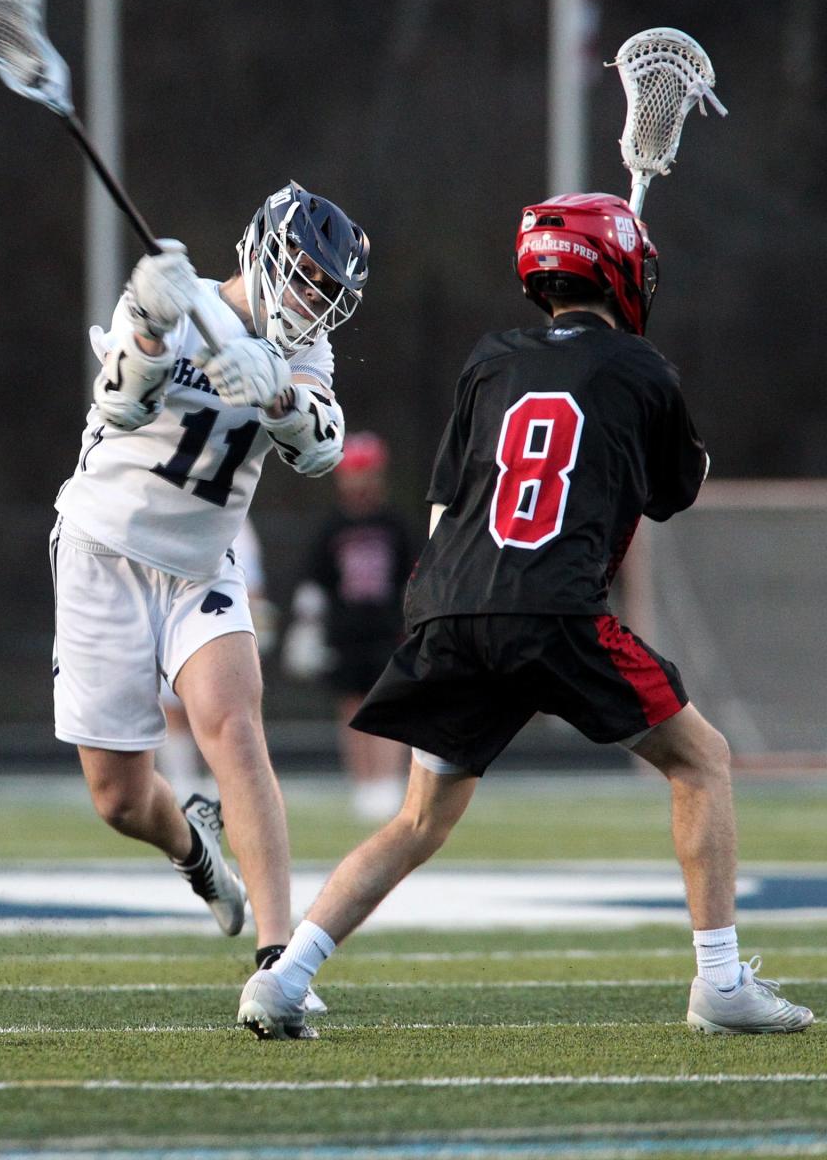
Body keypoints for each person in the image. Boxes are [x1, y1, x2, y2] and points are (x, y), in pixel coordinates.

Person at [237, 191, 815, 1039]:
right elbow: (675, 491)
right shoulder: (643, 369)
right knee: (703, 761)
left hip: (450, 605)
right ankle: (720, 984)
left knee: (419, 819)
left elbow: (444, 504)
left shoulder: (490, 359)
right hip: (552, 609)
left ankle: (284, 978)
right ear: (617, 268)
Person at [50, 180, 370, 980]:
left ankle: (278, 961)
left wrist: (279, 394)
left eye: (326, 290)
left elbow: (320, 446)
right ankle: (197, 856)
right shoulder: (173, 298)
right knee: (120, 799)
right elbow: (119, 403)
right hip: (104, 552)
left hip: (203, 566)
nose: (310, 300)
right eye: (302, 275)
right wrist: (155, 331)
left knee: (234, 726)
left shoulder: (306, 352)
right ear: (262, 251)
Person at [282, 432, 414, 820]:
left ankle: (388, 783)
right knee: (352, 709)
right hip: (345, 633)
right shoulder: (332, 527)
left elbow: (413, 574)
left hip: (388, 629)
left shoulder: (394, 524)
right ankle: (364, 782)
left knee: (388, 705)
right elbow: (315, 582)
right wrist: (307, 625)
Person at [156, 518, 276, 802]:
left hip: (214, 618)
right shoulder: (162, 509)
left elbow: (251, 578)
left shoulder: (234, 516)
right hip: (169, 612)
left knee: (220, 708)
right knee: (171, 705)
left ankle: (223, 783)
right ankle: (182, 783)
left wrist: (258, 619)